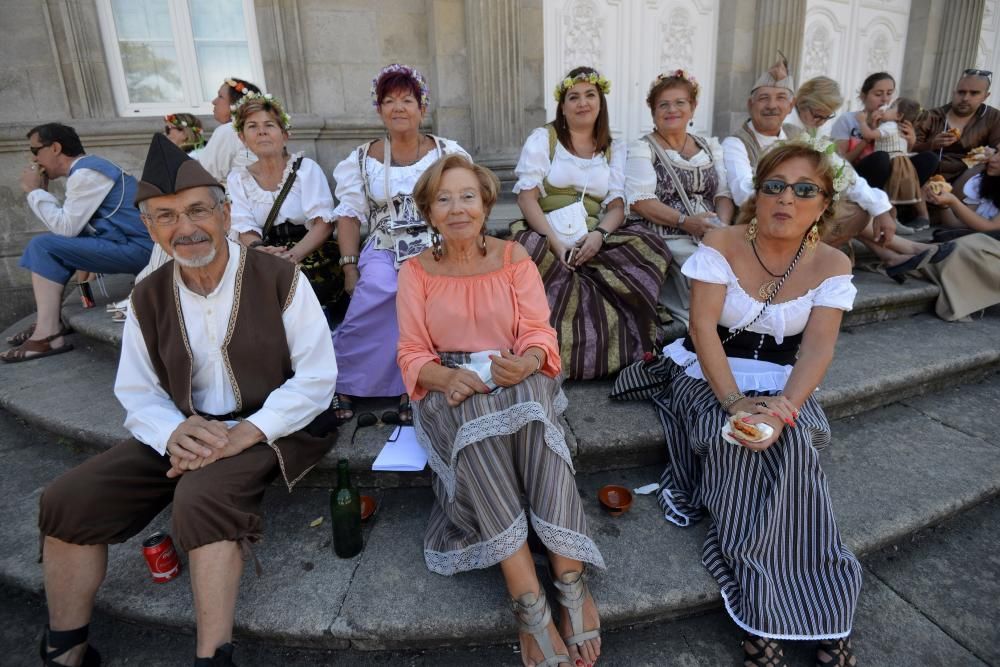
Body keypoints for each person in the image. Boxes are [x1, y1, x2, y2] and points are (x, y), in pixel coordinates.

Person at [35, 134, 338, 666]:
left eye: (198, 210)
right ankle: (66, 648)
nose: (186, 227)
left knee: (201, 499)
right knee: (68, 500)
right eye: (166, 216)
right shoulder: (149, 294)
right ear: (149, 228)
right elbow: (137, 390)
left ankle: (211, 657)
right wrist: (172, 432)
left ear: (223, 213)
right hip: (184, 428)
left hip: (275, 425)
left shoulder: (278, 275)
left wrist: (248, 431)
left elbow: (317, 378)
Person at [628, 140, 862, 666]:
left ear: (823, 203)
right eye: (774, 186)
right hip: (709, 374)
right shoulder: (723, 242)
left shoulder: (832, 262)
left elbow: (819, 347)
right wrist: (734, 403)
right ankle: (763, 602)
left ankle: (821, 595)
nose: (787, 199)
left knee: (794, 442)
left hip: (783, 382)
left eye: (805, 190)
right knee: (735, 441)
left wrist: (782, 409)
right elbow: (702, 328)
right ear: (758, 193)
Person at [398, 154, 605, 667]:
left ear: (486, 202)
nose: (457, 208)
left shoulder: (515, 258)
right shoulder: (415, 271)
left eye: (467, 196)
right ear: (429, 211)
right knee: (475, 424)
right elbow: (411, 353)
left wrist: (530, 359)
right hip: (448, 382)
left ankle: (568, 576)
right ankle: (527, 600)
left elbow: (538, 331)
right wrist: (445, 376)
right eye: (443, 199)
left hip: (513, 369)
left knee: (532, 407)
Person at [332, 64, 470, 424]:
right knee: (376, 287)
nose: (398, 108)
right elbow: (349, 214)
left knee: (424, 295)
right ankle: (347, 380)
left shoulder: (446, 152)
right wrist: (349, 266)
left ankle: (418, 382)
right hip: (383, 241)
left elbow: (469, 202)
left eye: (407, 100)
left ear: (422, 107)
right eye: (388, 100)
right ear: (379, 110)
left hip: (435, 241)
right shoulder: (361, 159)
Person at [512, 66, 670, 379]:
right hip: (546, 228)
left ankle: (622, 343)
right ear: (563, 105)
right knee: (528, 253)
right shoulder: (545, 138)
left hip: (592, 231)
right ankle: (546, 347)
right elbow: (526, 198)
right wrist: (555, 243)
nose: (582, 103)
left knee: (652, 245)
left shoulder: (614, 148)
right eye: (574, 97)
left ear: (600, 102)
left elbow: (615, 207)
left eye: (590, 95)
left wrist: (598, 235)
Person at [3, 123, 153, 362]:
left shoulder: (86, 173)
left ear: (55, 148)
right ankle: (48, 323)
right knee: (52, 245)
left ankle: (48, 333)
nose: (33, 159)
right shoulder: (87, 170)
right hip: (132, 245)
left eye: (35, 151)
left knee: (43, 246)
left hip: (144, 250)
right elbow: (74, 230)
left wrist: (33, 191)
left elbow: (66, 229)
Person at [626, 69, 733, 325]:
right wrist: (687, 222)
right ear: (653, 111)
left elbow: (723, 194)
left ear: (693, 108)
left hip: (711, 229)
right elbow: (641, 201)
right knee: (705, 274)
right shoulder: (643, 148)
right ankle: (704, 329)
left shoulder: (710, 147)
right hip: (668, 233)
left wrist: (722, 226)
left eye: (679, 103)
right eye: (663, 104)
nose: (671, 109)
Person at [228, 92, 343, 312]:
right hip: (264, 251)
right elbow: (244, 228)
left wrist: (293, 256)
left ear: (284, 134)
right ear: (243, 138)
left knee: (298, 287)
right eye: (252, 126)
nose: (261, 131)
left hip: (309, 249)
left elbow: (324, 223)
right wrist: (263, 252)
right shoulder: (238, 179)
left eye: (269, 125)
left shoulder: (306, 169)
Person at [831, 72, 939, 229]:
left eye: (889, 94)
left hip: (892, 175)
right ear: (863, 96)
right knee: (881, 158)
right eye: (878, 94)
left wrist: (911, 141)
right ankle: (881, 212)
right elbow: (842, 161)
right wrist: (867, 139)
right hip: (859, 173)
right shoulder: (848, 120)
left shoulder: (893, 121)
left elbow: (901, 155)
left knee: (929, 158)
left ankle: (898, 208)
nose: (885, 100)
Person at [919, 151, 1000, 320]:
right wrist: (944, 204)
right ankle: (921, 254)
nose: (993, 159)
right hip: (978, 241)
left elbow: (990, 228)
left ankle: (920, 254)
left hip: (993, 248)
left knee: (961, 247)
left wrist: (954, 202)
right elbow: (959, 224)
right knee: (956, 244)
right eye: (997, 152)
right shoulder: (983, 181)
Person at [913, 69, 1000, 187]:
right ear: (954, 92)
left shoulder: (993, 117)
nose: (965, 98)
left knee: (980, 166)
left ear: (985, 96)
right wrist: (932, 144)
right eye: (961, 92)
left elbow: (997, 149)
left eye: (974, 93)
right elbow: (910, 149)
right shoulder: (932, 116)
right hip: (926, 177)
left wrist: (992, 152)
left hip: (967, 184)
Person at [198, 77, 261, 183]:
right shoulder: (257, 129)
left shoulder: (229, 130)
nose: (214, 101)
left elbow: (204, 175)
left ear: (235, 104)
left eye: (220, 96)